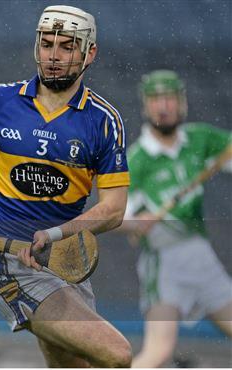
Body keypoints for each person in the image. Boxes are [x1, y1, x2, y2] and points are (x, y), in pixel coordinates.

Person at [0, 5, 132, 367]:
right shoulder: (0, 99)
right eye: (47, 44)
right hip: (13, 264)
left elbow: (114, 209)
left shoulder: (103, 121)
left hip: (64, 266)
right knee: (117, 353)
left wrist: (57, 233)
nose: (53, 56)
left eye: (66, 46)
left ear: (89, 53)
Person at [119, 70, 232, 367]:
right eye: (156, 100)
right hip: (164, 261)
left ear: (181, 102)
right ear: (146, 106)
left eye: (169, 98)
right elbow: (119, 217)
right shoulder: (136, 159)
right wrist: (136, 222)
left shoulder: (201, 139)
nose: (164, 107)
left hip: (201, 257)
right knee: (159, 351)